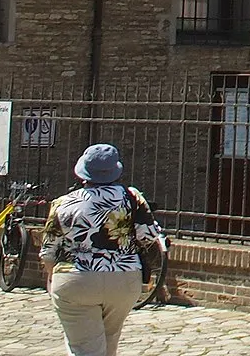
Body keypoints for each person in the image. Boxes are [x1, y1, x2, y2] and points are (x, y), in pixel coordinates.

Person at [37, 143, 168, 356]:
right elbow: (148, 236)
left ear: (83, 173)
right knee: (108, 345)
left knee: (84, 348)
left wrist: (51, 278)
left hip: (76, 279)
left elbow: (48, 249)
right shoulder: (132, 197)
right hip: (124, 279)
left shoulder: (63, 203)